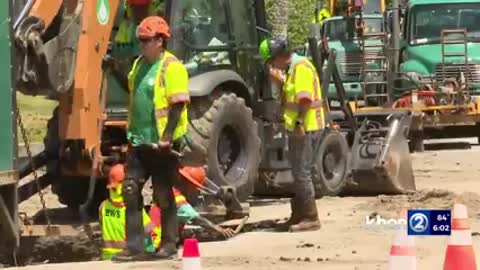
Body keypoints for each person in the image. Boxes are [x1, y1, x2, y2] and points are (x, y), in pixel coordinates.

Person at [117, 15, 191, 260]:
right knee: (130, 190)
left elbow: (178, 104)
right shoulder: (139, 64)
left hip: (161, 144)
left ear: (160, 41)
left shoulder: (172, 67)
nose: (142, 44)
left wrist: (168, 137)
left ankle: (169, 244)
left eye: (146, 40)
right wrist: (114, 70)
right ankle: (134, 247)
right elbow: (133, 91)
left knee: (162, 193)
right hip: (139, 141)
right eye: (140, 40)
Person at [260, 37, 324, 232]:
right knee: (298, 172)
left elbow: (305, 99)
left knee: (302, 173)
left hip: (307, 127)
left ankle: (311, 217)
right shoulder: (291, 69)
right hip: (300, 127)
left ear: (280, 55)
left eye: (271, 60)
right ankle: (298, 215)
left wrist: (299, 122)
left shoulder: (301, 68)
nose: (271, 64)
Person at [99, 164, 161, 261]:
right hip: (125, 257)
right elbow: (151, 231)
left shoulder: (103, 206)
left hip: (106, 256)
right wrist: (153, 249)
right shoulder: (131, 209)